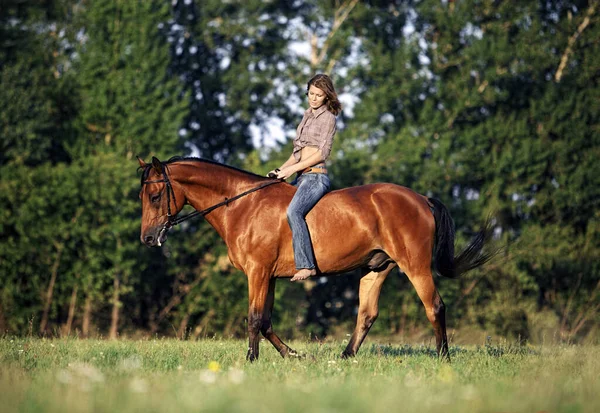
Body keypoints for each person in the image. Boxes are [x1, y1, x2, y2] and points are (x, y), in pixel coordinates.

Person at [267, 74, 342, 282]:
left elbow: (321, 153)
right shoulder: (307, 115)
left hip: (315, 178)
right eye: (311, 94)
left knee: (294, 211)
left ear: (327, 97)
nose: (314, 98)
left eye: (319, 95)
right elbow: (298, 152)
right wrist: (280, 170)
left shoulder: (328, 118)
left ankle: (306, 265)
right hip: (300, 177)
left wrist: (293, 170)